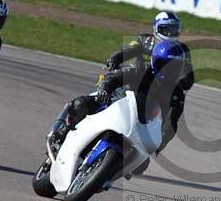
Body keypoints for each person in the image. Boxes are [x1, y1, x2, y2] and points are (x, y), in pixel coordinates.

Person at [50, 40, 187, 166]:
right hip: (116, 104)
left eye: (173, 68)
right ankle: (61, 134)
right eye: (164, 66)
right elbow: (113, 78)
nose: (168, 72)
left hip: (141, 124)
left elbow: (171, 123)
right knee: (80, 104)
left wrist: (161, 143)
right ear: (154, 62)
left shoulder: (177, 94)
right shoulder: (141, 69)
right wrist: (105, 89)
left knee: (141, 165)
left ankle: (104, 176)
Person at [106, 10, 193, 143]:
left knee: (171, 111)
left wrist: (176, 84)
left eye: (173, 30)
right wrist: (115, 58)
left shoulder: (181, 50)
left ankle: (156, 139)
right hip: (136, 80)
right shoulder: (145, 40)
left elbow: (188, 76)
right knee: (110, 89)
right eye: (166, 29)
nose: (170, 33)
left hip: (162, 89)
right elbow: (127, 50)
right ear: (156, 28)